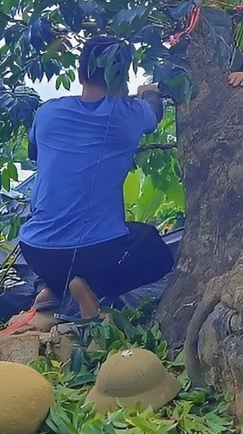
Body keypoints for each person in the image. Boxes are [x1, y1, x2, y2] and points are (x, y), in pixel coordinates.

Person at [18, 35, 174, 324]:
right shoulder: (130, 114)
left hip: (36, 250)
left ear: (80, 72)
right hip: (94, 255)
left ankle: (49, 287)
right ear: (122, 77)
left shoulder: (48, 112)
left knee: (50, 225)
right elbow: (154, 114)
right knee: (152, 246)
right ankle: (89, 290)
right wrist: (149, 92)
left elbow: (34, 152)